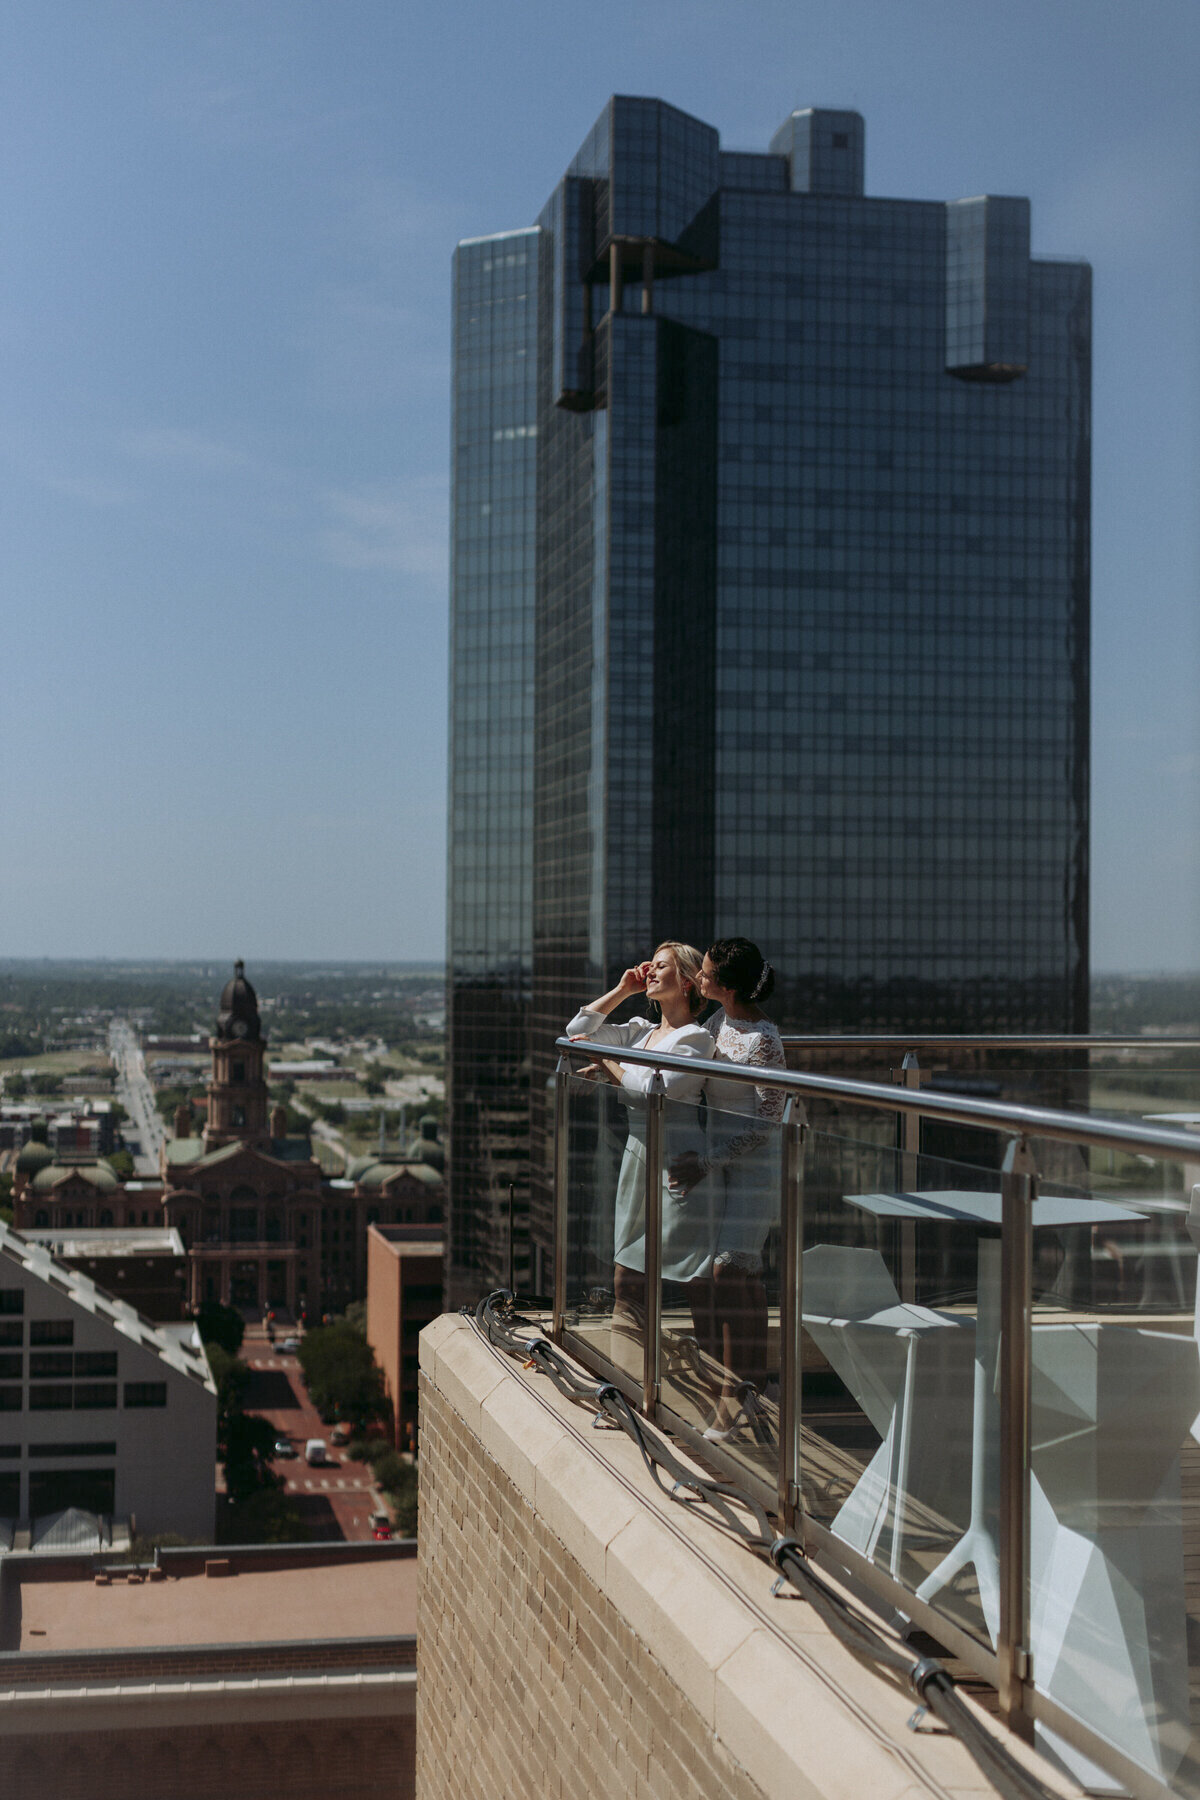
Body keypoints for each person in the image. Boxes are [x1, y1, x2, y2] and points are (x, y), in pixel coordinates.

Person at [566, 943, 717, 1330]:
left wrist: (606, 1063)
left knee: (694, 1280)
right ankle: (633, 1377)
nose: (649, 972)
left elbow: (649, 1092)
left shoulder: (695, 1039)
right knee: (627, 1278)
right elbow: (576, 1032)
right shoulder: (640, 1031)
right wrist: (622, 990)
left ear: (686, 982)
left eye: (660, 967)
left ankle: (719, 1382)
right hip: (638, 1158)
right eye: (649, 967)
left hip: (680, 1163)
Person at [671, 938, 784, 1440]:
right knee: (743, 1280)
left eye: (707, 972)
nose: (700, 977)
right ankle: (758, 1383)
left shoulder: (762, 1038)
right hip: (720, 1171)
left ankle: (732, 1395)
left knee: (724, 1275)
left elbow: (768, 1120)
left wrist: (708, 1163)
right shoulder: (718, 1025)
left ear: (727, 984)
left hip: (754, 1173)